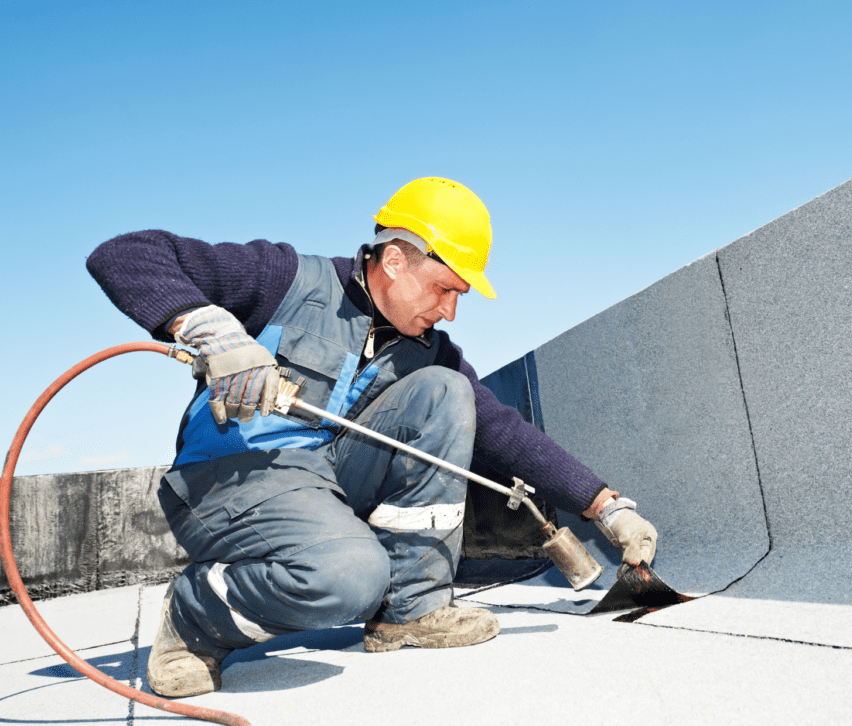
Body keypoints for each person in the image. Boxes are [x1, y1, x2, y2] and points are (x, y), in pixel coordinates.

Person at [87, 177, 658, 698]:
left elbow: (503, 432)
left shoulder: (426, 349)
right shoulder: (286, 279)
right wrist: (211, 330)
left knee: (446, 393)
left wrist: (606, 507)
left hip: (322, 478)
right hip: (231, 476)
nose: (451, 311)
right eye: (443, 289)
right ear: (394, 260)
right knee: (349, 579)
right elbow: (124, 255)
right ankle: (194, 614)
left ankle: (410, 610)